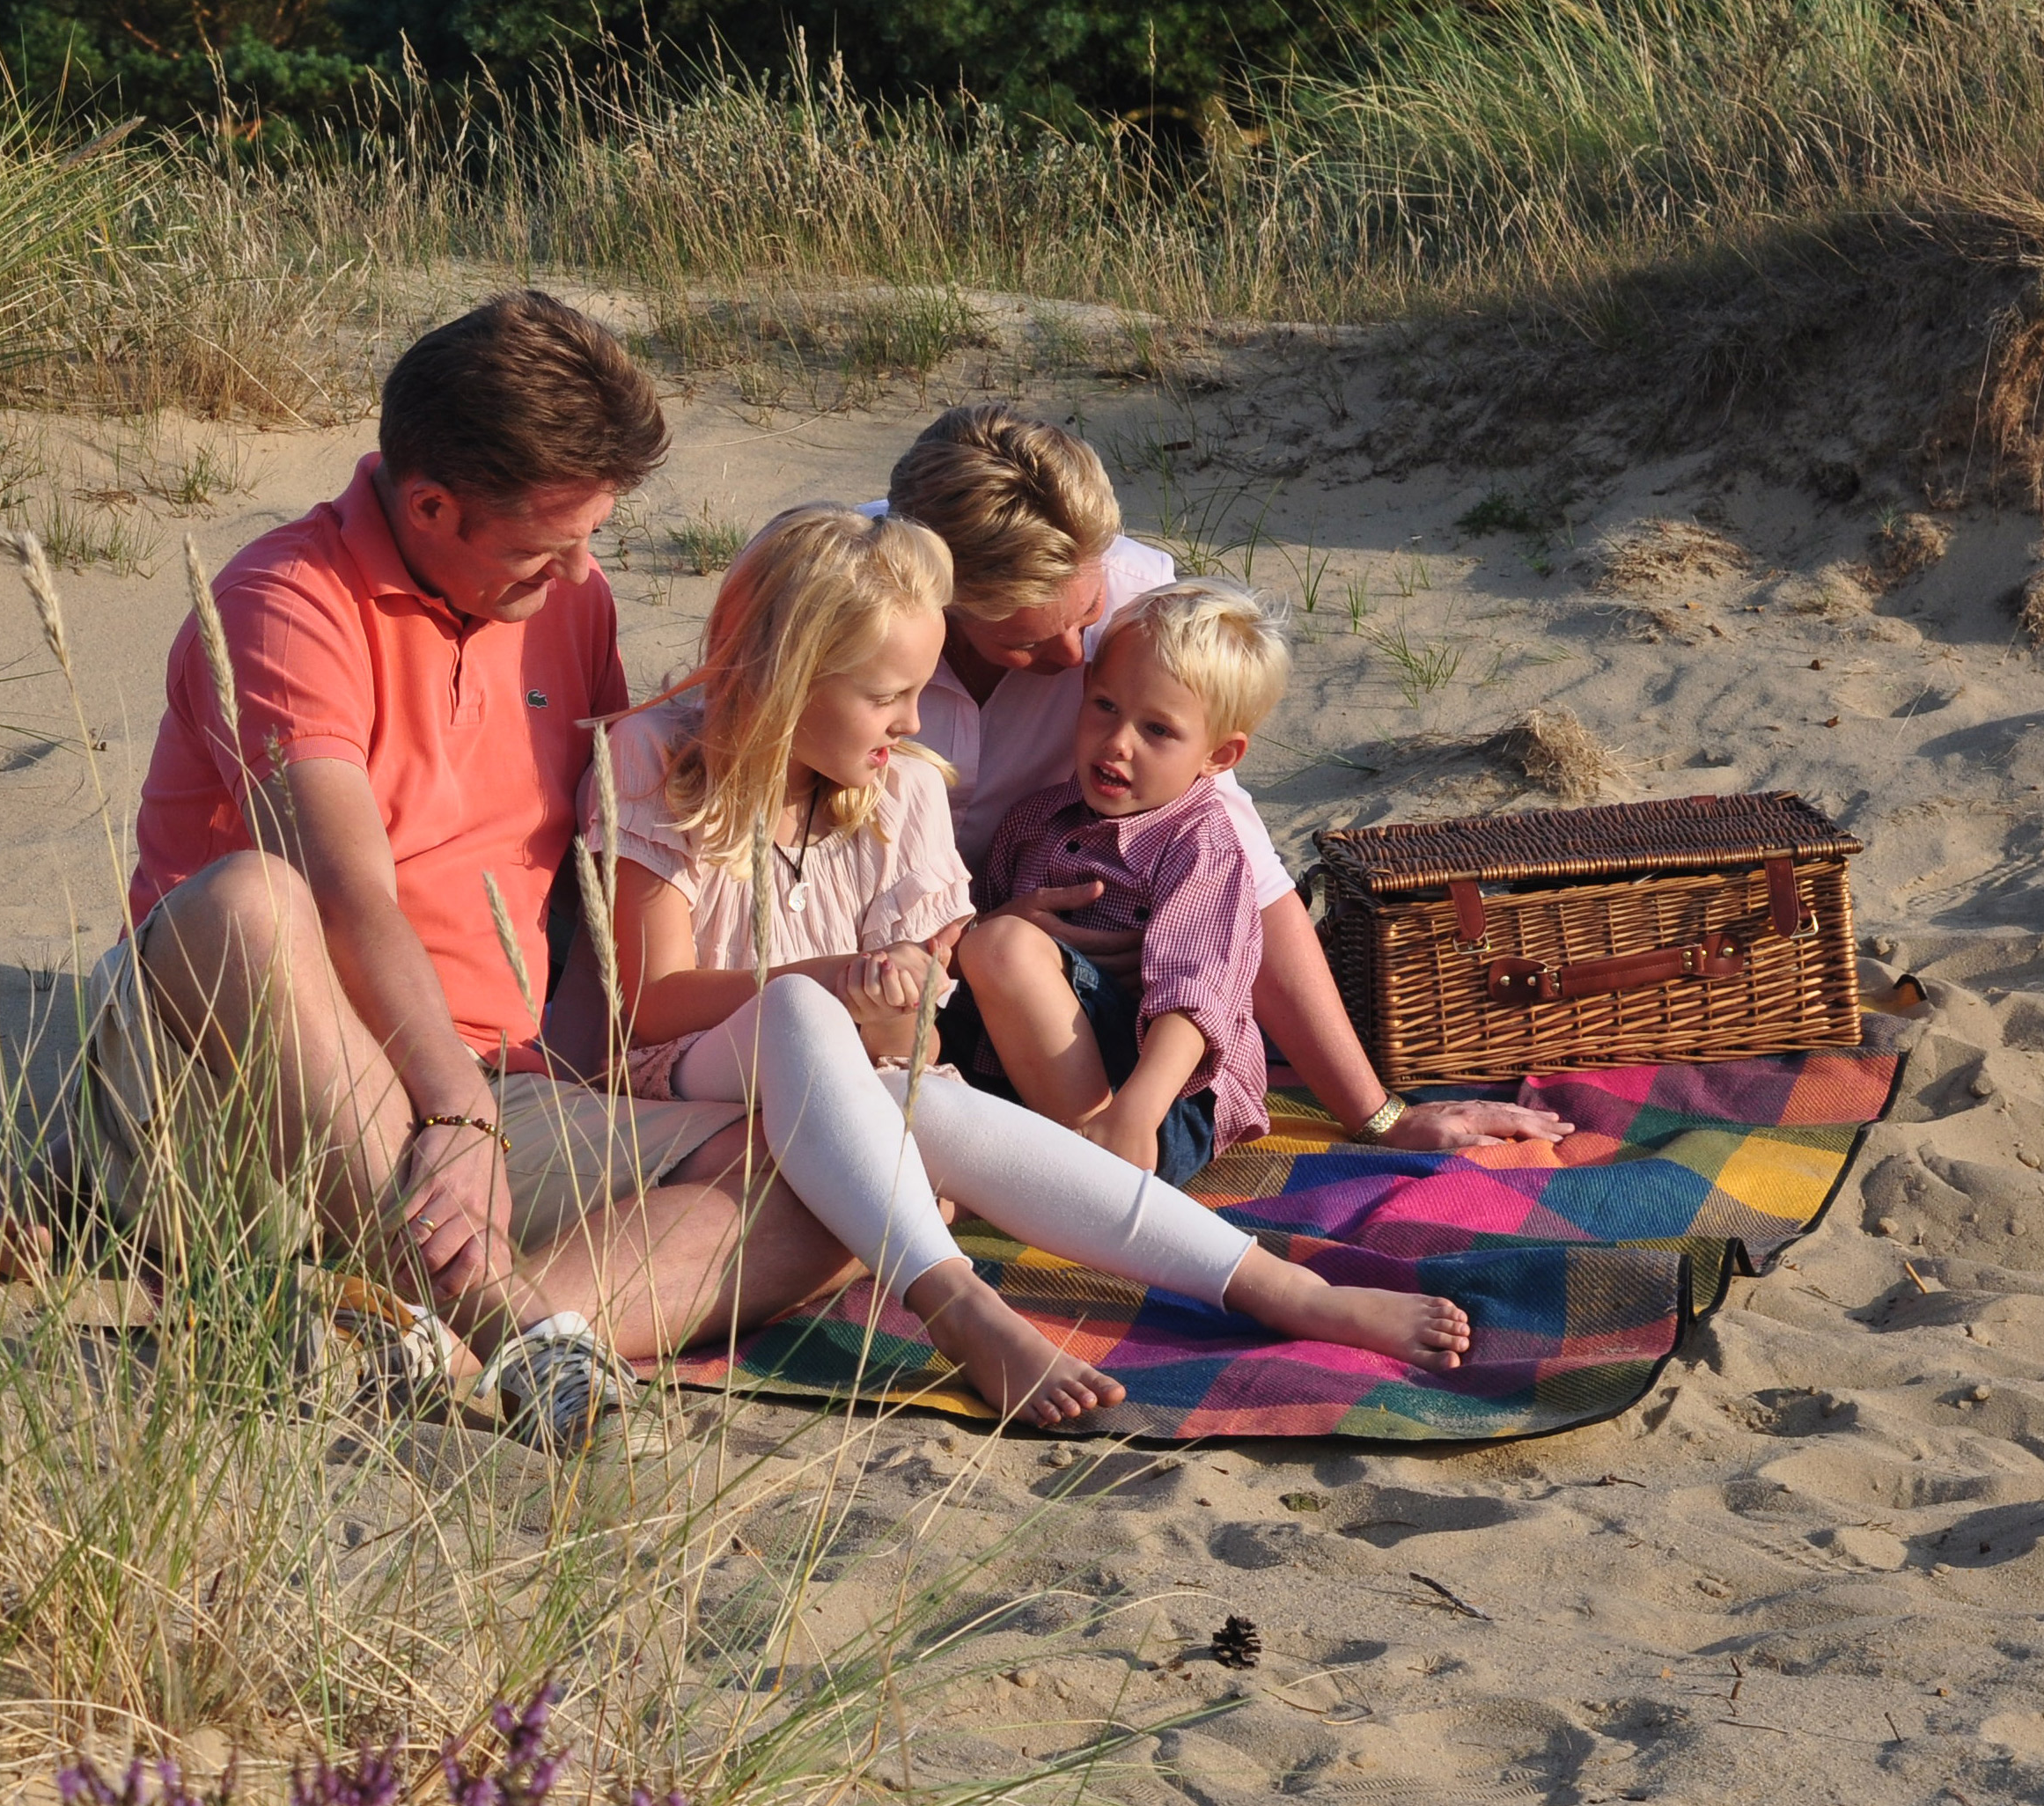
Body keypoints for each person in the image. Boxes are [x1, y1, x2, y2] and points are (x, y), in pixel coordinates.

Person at [70, 290, 866, 1454]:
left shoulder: (569, 602)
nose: (579, 571)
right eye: (545, 545)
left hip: (492, 1081)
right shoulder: (284, 602)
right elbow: (344, 895)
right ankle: (512, 1330)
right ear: (431, 505)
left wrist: (585, 1077)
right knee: (251, 903)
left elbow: (598, 863)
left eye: (591, 536)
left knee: (832, 1176)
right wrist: (454, 1113)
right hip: (253, 1079)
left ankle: (425, 1337)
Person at [589, 510, 1467, 1424]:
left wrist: (897, 1005)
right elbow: (650, 1006)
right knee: (805, 1013)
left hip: (857, 1086)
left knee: (916, 1099)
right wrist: (839, 980)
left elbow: (927, 1044)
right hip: (695, 1066)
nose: (914, 720)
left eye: (919, 691)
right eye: (889, 694)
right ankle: (963, 1308)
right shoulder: (658, 758)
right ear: (791, 676)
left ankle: (1284, 1291)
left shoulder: (904, 784)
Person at [881, 407, 1574, 1154]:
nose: (1073, 659)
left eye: (1084, 616)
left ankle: (1097, 1167)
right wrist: (983, 934)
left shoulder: (1145, 619)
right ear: (938, 604)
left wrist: (1379, 1115)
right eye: (1024, 641)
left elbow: (1246, 886)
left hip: (1128, 1055)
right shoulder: (846, 601)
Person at [960, 580, 1284, 1186]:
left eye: (1157, 730)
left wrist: (1137, 1112)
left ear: (1218, 755)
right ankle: (1023, 1160)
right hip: (1023, 1074)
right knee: (972, 952)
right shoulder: (1035, 821)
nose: (1117, 744)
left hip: (1160, 1101)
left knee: (1001, 945)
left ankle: (1097, 1173)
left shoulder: (1200, 845)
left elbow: (1195, 995)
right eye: (1106, 706)